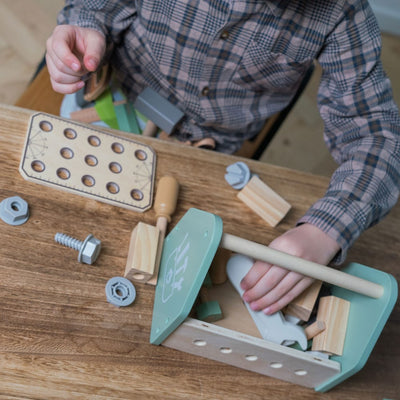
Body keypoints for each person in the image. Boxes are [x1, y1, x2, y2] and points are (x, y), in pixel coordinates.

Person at [46, 0, 400, 316]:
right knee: (57, 222)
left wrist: (326, 230)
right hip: (108, 106)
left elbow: (379, 135)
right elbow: (97, 7)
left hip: (201, 153)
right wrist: (86, 24)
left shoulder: (342, 12)